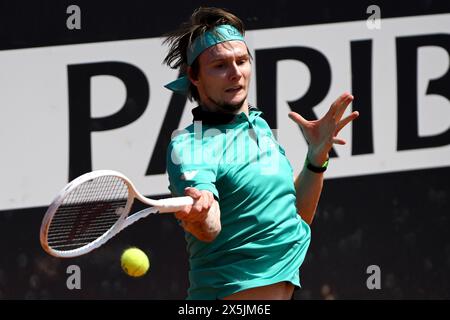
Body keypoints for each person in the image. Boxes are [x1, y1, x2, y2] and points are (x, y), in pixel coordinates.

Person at [163, 7, 359, 300]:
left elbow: (296, 217)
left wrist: (316, 158)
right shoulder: (189, 147)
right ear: (194, 75)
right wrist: (202, 216)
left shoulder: (260, 128)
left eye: (241, 61)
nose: (235, 73)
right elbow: (210, 227)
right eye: (219, 65)